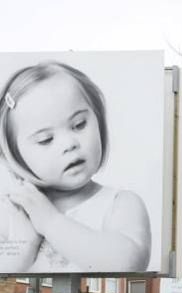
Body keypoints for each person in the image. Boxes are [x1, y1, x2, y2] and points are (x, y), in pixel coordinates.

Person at [0, 61, 151, 273]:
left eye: (79, 125)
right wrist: (24, 243)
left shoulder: (120, 204)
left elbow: (130, 264)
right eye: (46, 139)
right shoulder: (11, 211)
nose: (70, 143)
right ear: (14, 155)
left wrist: (50, 222)